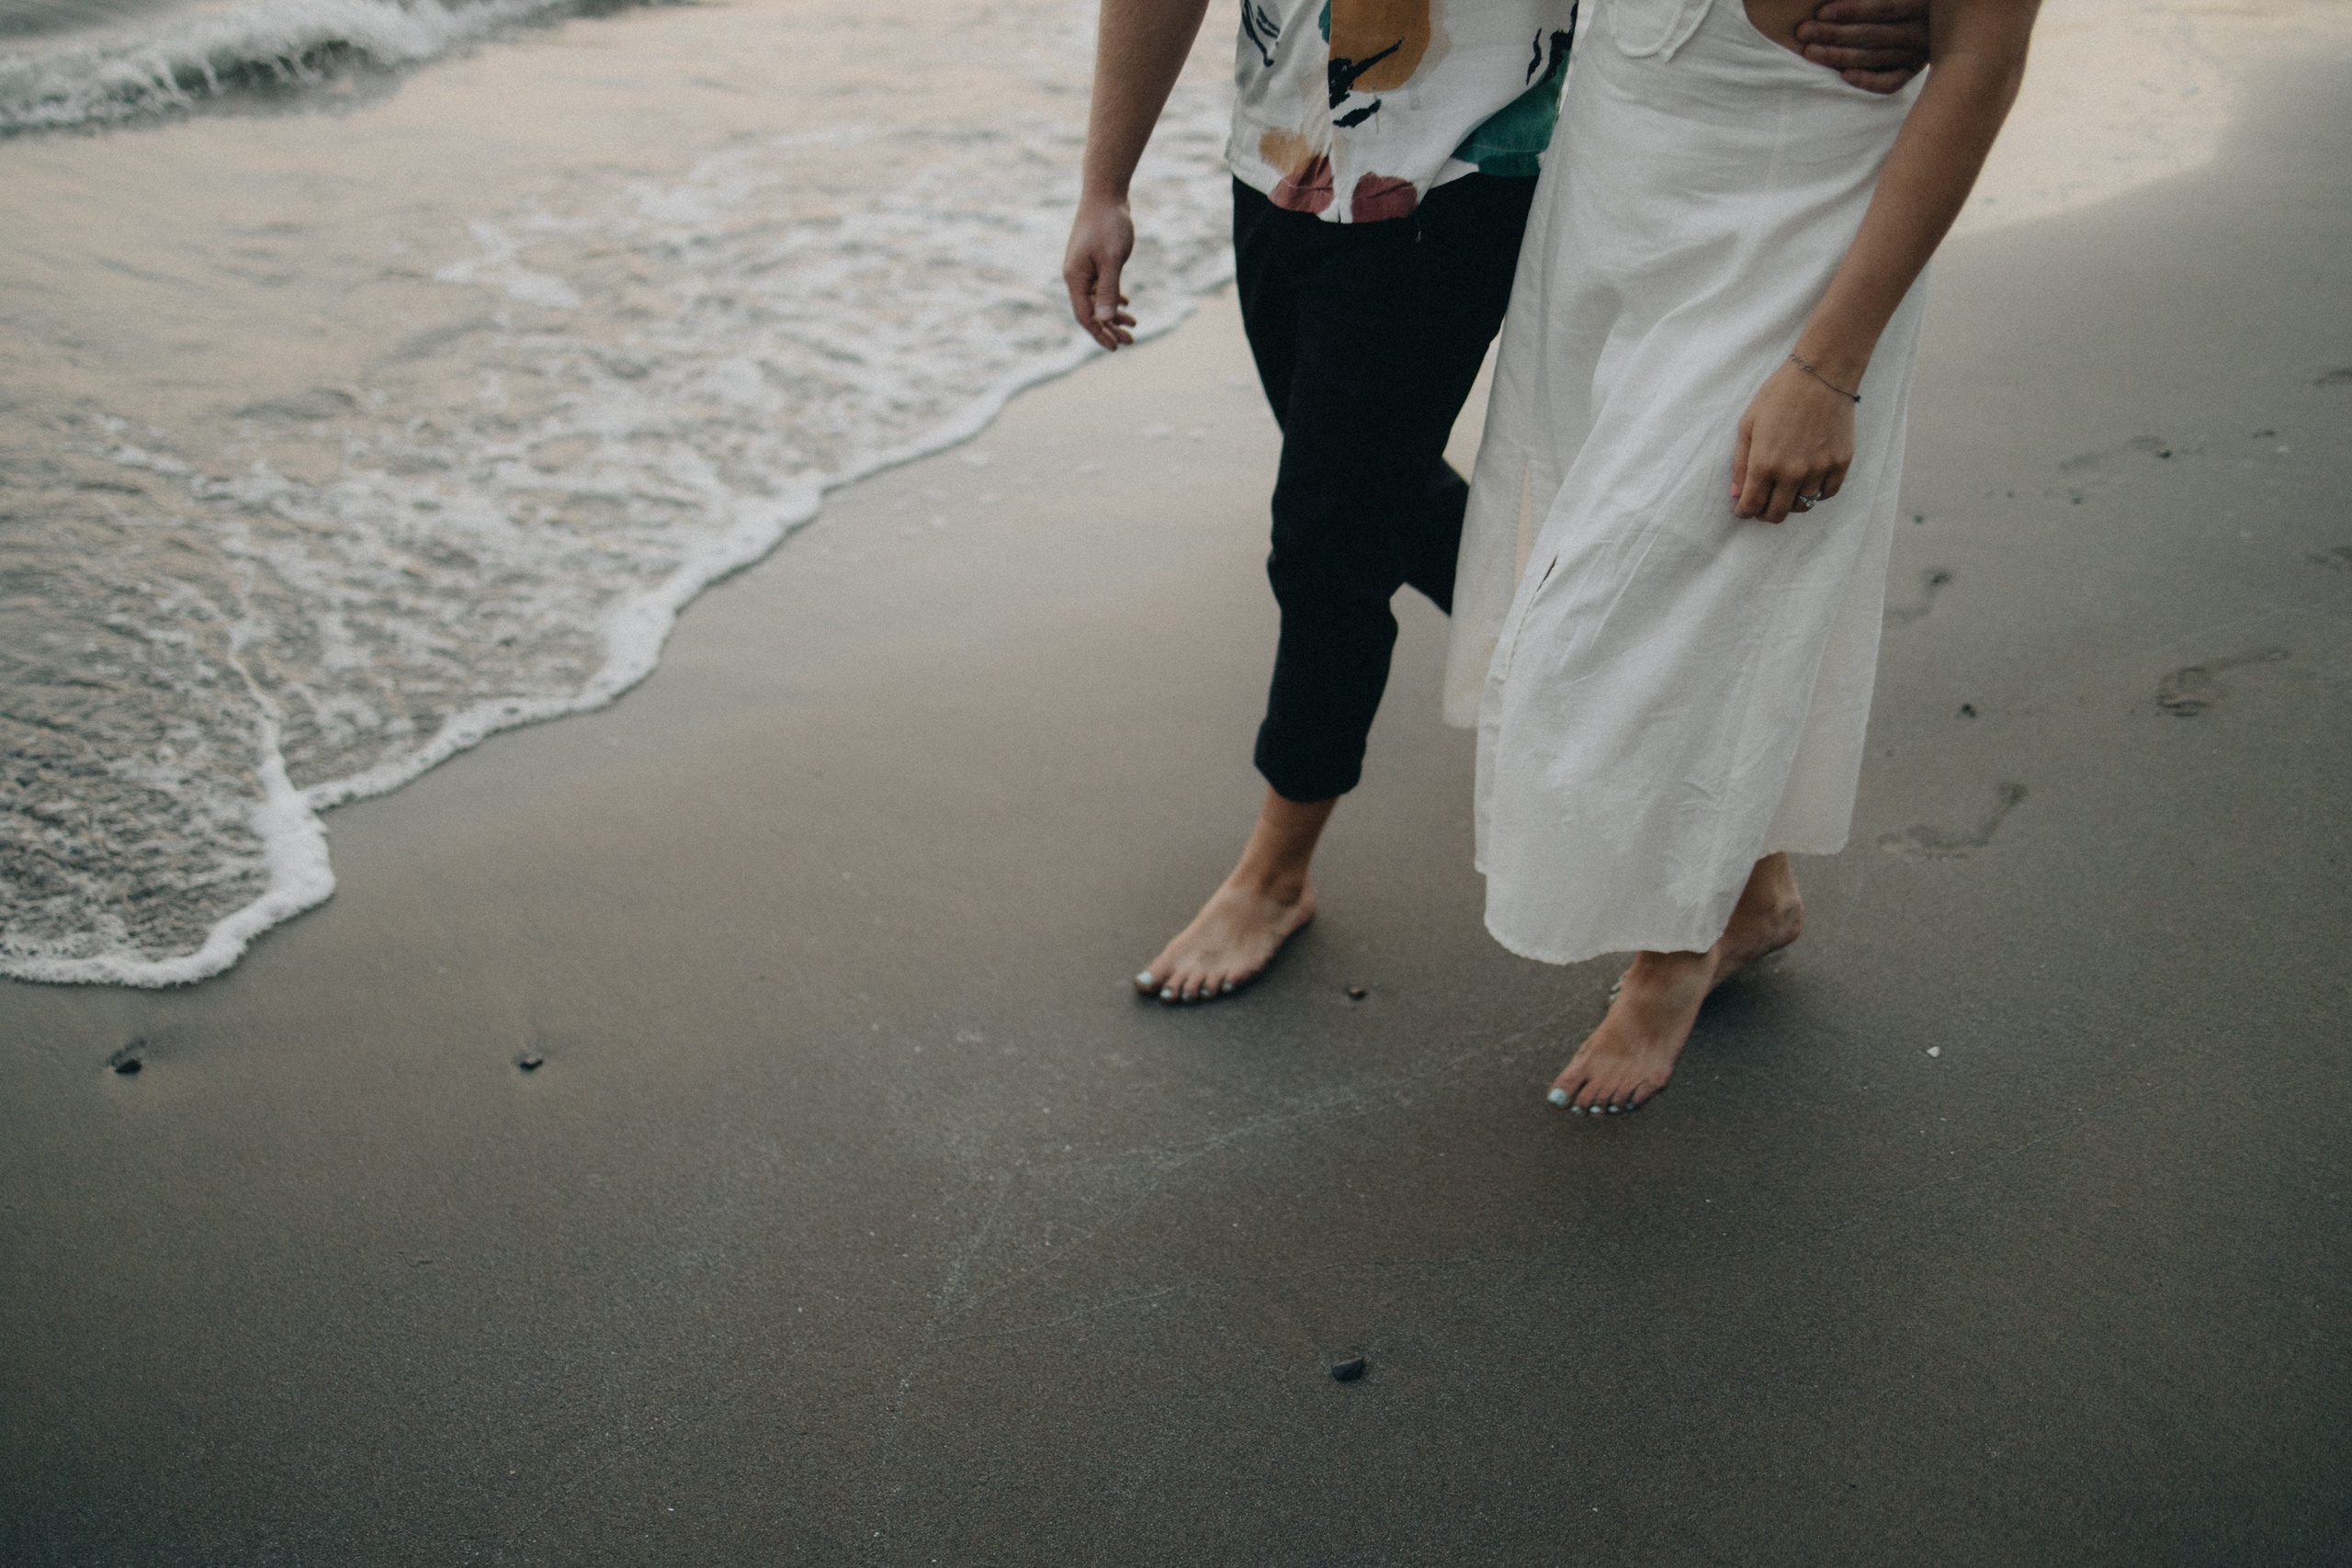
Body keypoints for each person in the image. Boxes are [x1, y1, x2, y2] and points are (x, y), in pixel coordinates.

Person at [1063, 0, 1934, 1006]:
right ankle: (1742, 852)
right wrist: (1104, 183)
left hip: (1460, 181)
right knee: (1373, 496)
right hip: (1275, 156)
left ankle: (1273, 873)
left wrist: (1923, 21)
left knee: (1326, 539)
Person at [1443, 0, 2038, 1112]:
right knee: (1658, 566)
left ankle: (1676, 949)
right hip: (1620, 160)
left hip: (1798, 205)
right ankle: (1746, 896)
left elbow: (1983, 60)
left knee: (1632, 598)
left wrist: (1829, 365)